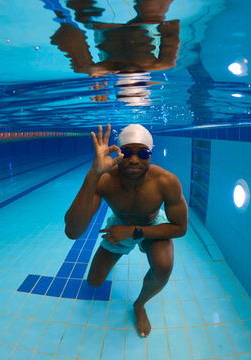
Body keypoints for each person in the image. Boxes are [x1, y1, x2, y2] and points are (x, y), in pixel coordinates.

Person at [64, 123, 188, 337]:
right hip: (119, 225)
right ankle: (116, 254)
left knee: (163, 266)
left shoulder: (166, 181)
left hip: (151, 225)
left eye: (143, 153)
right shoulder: (105, 179)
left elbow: (180, 228)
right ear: (119, 152)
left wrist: (133, 232)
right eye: (127, 152)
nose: (133, 159)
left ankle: (139, 305)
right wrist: (93, 175)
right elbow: (72, 231)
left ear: (151, 154)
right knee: (94, 281)